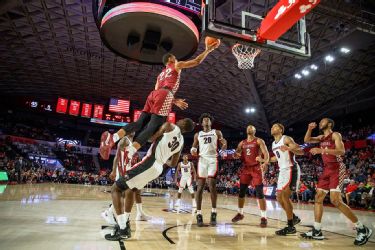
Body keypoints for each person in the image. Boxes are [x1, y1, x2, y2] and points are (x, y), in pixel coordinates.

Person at [99, 42, 220, 161]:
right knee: (151, 128)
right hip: (165, 94)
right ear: (169, 60)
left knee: (138, 123)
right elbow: (196, 61)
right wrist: (207, 50)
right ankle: (129, 153)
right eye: (174, 57)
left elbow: (157, 90)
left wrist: (173, 100)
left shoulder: (160, 75)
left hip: (153, 94)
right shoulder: (177, 65)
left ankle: (113, 138)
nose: (176, 58)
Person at [105, 118, 195, 241]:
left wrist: (153, 129)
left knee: (116, 188)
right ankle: (124, 222)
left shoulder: (170, 126)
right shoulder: (181, 142)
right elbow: (173, 163)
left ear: (183, 123)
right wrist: (163, 158)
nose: (179, 120)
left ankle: (122, 228)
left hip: (149, 162)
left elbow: (150, 138)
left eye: (182, 119)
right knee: (131, 190)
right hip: (158, 169)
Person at [301, 118, 372, 245]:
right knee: (318, 198)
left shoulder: (335, 135)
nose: (320, 122)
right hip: (326, 169)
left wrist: (322, 150)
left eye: (323, 121)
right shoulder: (321, 137)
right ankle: (317, 230)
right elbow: (306, 140)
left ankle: (362, 228)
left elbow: (341, 151)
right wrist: (309, 129)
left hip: (336, 168)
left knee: (335, 200)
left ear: (329, 124)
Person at [101, 134, 151, 226]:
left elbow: (133, 156)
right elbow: (117, 157)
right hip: (122, 170)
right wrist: (113, 170)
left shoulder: (132, 141)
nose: (134, 130)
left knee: (136, 191)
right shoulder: (124, 140)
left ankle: (139, 213)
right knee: (124, 193)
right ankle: (109, 212)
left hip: (129, 170)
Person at [191, 113, 227, 227]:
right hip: (202, 160)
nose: (206, 121)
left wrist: (224, 145)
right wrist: (193, 149)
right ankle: (199, 214)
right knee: (200, 187)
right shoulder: (198, 134)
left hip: (213, 159)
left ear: (211, 122)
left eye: (208, 120)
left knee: (211, 184)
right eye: (204, 120)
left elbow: (223, 142)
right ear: (201, 123)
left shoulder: (216, 132)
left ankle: (214, 212)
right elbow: (194, 146)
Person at [231, 124, 269, 227]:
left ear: (254, 131)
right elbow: (236, 153)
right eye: (248, 127)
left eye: (251, 127)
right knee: (241, 191)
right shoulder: (242, 143)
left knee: (259, 193)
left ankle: (264, 217)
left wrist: (265, 162)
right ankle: (240, 213)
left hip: (256, 168)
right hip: (246, 168)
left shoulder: (259, 141)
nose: (249, 128)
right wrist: (235, 155)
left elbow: (266, 153)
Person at [269, 123, 303, 235]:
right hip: (282, 171)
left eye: (275, 127)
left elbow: (300, 151)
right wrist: (265, 160)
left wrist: (289, 148)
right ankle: (293, 218)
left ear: (281, 130)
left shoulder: (286, 139)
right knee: (279, 198)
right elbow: (276, 157)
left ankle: (290, 227)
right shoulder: (273, 144)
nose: (272, 128)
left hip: (291, 169)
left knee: (285, 196)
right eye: (272, 127)